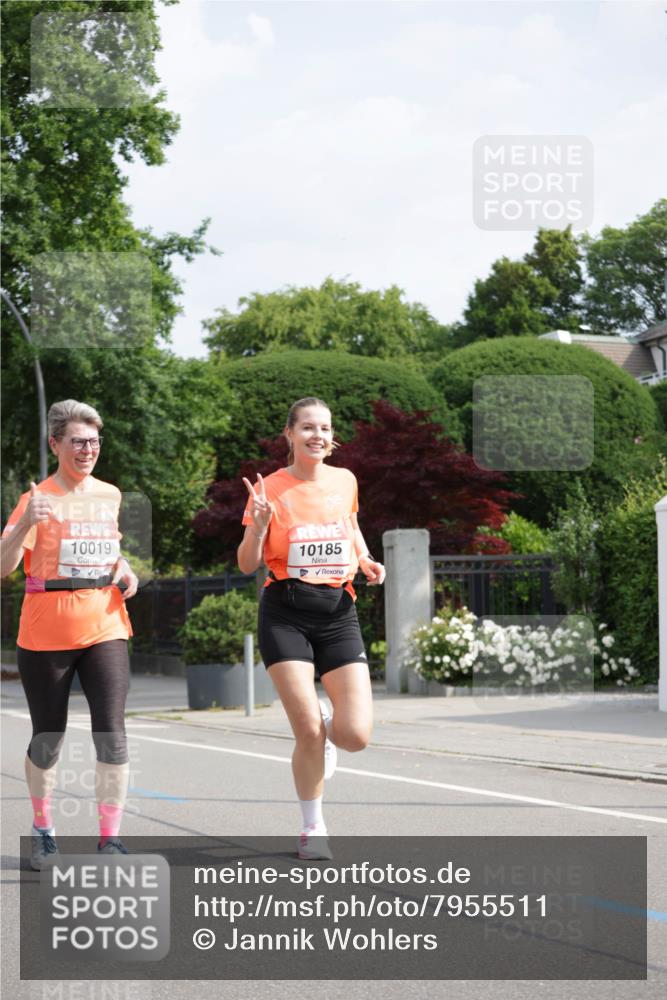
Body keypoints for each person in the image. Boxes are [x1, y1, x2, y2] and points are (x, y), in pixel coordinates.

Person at [238, 397, 385, 860]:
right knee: (307, 734)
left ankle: (326, 723)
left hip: (339, 610)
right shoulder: (270, 489)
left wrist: (364, 559)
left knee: (356, 735)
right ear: (289, 434)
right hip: (286, 612)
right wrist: (259, 527)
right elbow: (246, 563)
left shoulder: (345, 480)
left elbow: (351, 526)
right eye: (307, 428)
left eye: (324, 428)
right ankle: (313, 826)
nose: (317, 436)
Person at [0, 399, 138, 870]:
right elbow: (4, 567)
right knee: (48, 738)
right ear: (56, 444)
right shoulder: (36, 499)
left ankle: (110, 840)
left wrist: (124, 568)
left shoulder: (110, 494)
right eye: (77, 441)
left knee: (112, 735)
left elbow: (107, 551)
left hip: (106, 623)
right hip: (46, 633)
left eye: (94, 441)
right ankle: (43, 832)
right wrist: (24, 524)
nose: (87, 449)